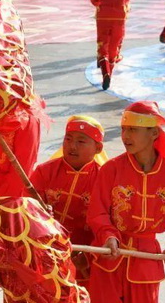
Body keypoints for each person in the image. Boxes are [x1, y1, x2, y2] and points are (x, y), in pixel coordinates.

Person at [87, 101, 165, 303]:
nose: (125, 136)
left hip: (146, 260)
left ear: (154, 133)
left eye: (133, 130)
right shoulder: (112, 169)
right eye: (123, 129)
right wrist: (108, 235)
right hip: (110, 255)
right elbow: (98, 210)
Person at [32, 115, 106, 286]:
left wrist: (89, 256)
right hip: (46, 253)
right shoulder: (44, 172)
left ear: (98, 148)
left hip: (84, 258)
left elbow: (107, 224)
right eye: (68, 139)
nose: (72, 146)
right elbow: (27, 210)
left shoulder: (104, 180)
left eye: (81, 141)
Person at [90, 0, 138, 90]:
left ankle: (105, 72)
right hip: (119, 15)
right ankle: (110, 68)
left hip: (103, 14)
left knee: (102, 45)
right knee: (114, 45)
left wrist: (100, 2)